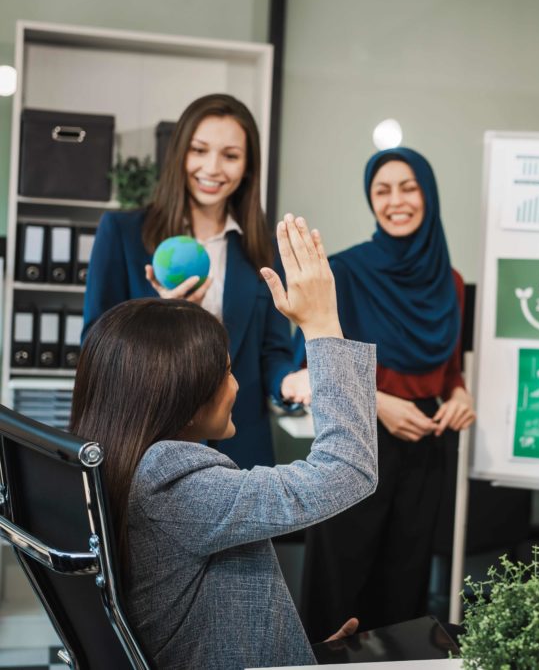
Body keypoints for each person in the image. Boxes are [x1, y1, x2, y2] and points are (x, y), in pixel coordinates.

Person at [70, 214, 375, 669]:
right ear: (185, 394)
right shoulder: (174, 486)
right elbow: (348, 471)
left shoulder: (123, 461)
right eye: (228, 371)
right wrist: (323, 325)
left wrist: (294, 651)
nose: (236, 386)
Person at [294, 147, 475, 638]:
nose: (396, 200)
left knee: (403, 598)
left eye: (408, 187)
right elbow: (310, 370)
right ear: (370, 200)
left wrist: (459, 396)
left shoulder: (451, 283)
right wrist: (380, 404)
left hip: (424, 451)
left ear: (429, 196)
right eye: (382, 190)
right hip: (353, 445)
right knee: (339, 590)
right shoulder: (345, 273)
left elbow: (447, 370)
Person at [83, 93, 306, 469]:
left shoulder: (263, 249)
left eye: (231, 156)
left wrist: (289, 384)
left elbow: (273, 353)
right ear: (180, 155)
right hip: (145, 444)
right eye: (199, 150)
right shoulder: (122, 233)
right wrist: (164, 318)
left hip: (240, 449)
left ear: (248, 167)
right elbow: (95, 346)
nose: (212, 168)